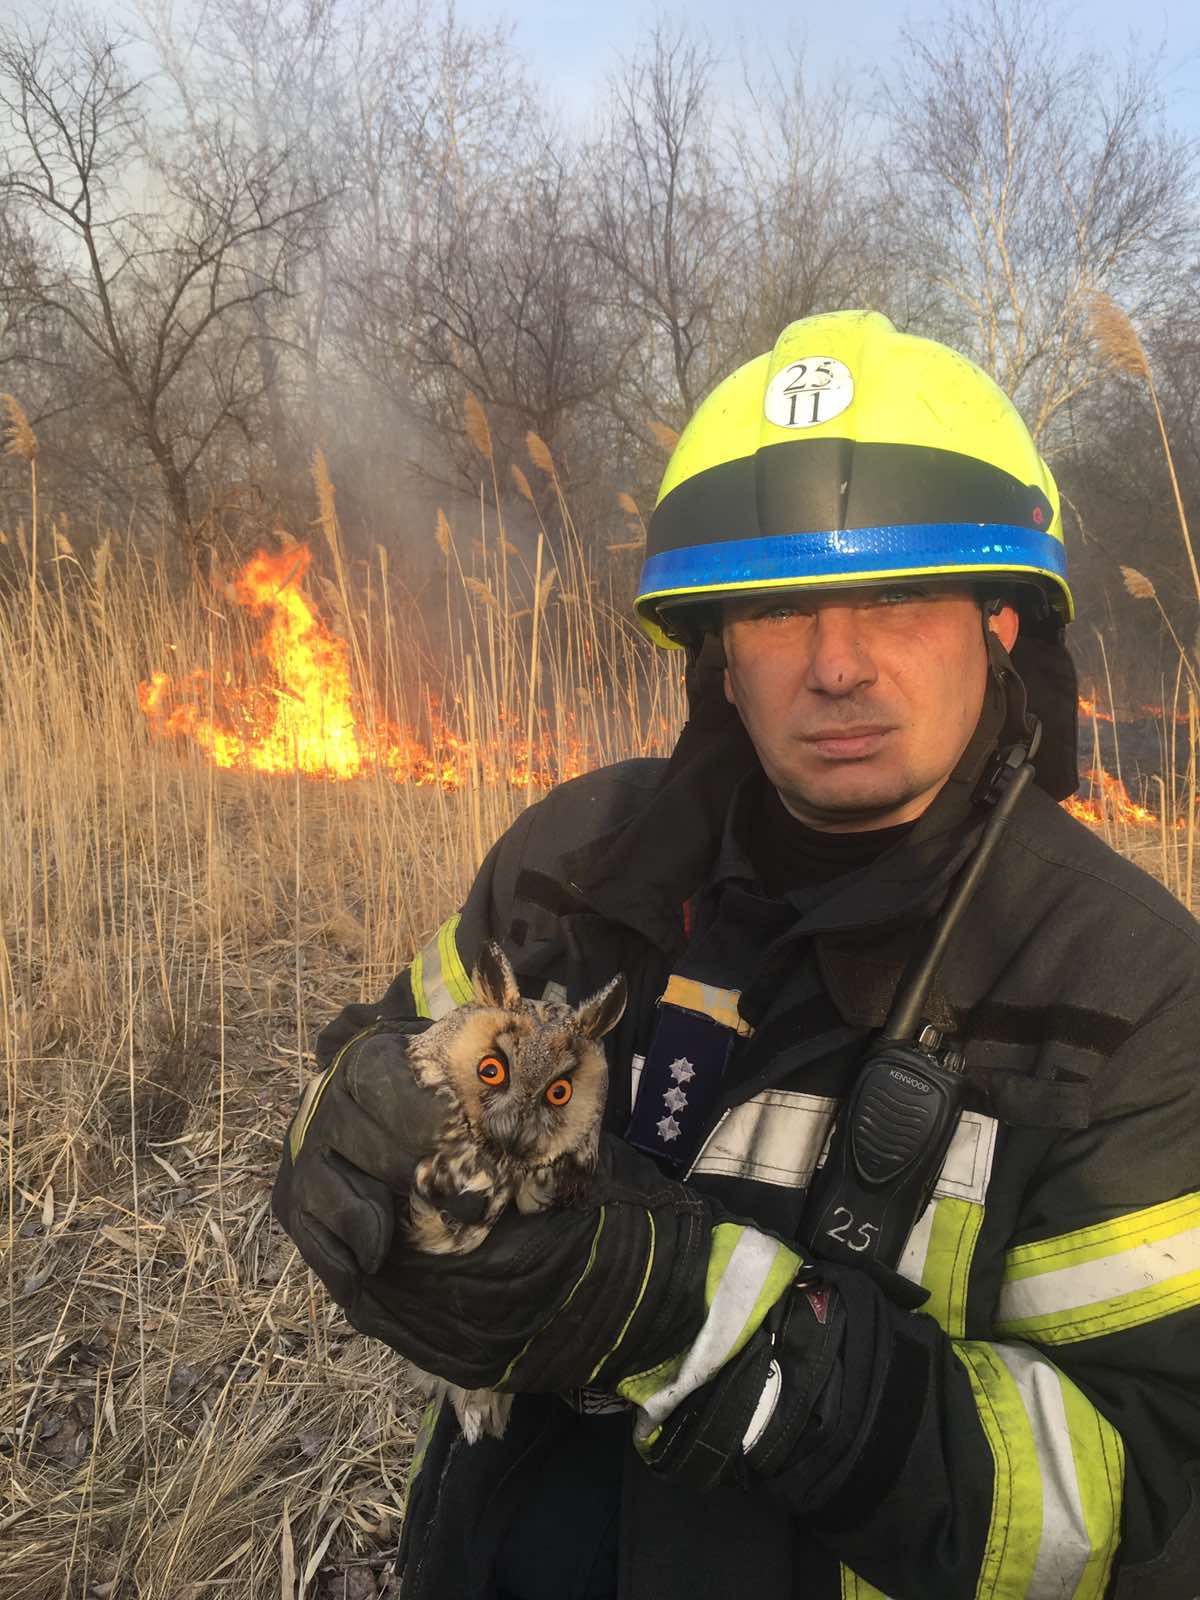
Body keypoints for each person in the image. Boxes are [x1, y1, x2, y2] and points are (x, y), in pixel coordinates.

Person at [272, 311, 1200, 1599]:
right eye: (776, 608)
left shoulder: (1126, 989)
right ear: (717, 647)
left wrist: (695, 1325)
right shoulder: (570, 860)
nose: (836, 665)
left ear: (998, 617)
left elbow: (1137, 1504)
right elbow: (384, 1072)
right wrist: (344, 1133)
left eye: (893, 595)